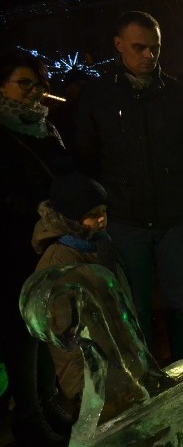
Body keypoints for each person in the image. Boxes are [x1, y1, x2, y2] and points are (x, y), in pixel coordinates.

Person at [75, 11, 183, 364]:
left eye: (154, 48)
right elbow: (85, 157)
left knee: (180, 304)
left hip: (175, 217)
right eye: (139, 48)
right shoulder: (100, 95)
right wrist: (94, 209)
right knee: (134, 307)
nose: (148, 56)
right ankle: (144, 376)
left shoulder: (175, 93)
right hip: (126, 218)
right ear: (119, 45)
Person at [0, 48, 71, 447]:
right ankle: (28, 415)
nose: (34, 93)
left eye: (38, 85)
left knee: (44, 324)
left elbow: (64, 170)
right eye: (24, 83)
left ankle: (47, 403)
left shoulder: (46, 128)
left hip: (47, 241)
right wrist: (37, 210)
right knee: (21, 332)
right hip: (12, 245)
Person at [31, 171, 127, 423]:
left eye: (104, 212)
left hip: (115, 369)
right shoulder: (58, 265)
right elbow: (63, 339)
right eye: (92, 215)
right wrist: (79, 391)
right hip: (89, 385)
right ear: (71, 218)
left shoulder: (101, 246)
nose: (102, 220)